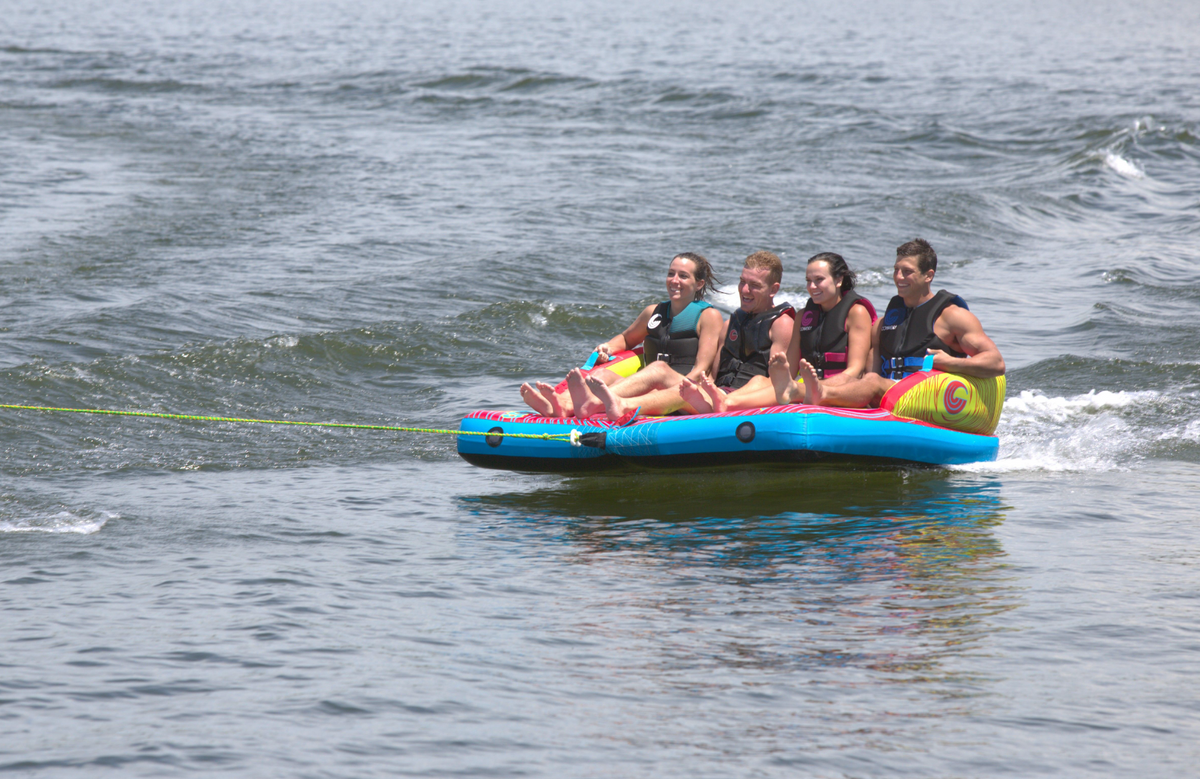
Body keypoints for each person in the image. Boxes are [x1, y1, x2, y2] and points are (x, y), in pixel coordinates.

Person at [792, 239, 1005, 408]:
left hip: (931, 396)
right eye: (896, 270)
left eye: (907, 271)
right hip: (891, 396)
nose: (898, 277)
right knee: (871, 379)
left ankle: (821, 393)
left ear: (928, 275)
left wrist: (951, 362)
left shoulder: (952, 316)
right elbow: (869, 373)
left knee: (873, 382)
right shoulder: (884, 324)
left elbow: (996, 363)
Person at [586, 251, 794, 421]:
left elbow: (779, 383)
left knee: (664, 375)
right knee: (607, 375)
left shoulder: (782, 324)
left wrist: (729, 399)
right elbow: (714, 372)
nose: (744, 290)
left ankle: (615, 404)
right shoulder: (732, 322)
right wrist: (707, 390)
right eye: (742, 282)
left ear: (773, 289)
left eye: (754, 285)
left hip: (742, 402)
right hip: (718, 394)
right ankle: (568, 403)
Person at [520, 252, 723, 418]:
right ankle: (559, 403)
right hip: (653, 382)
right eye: (671, 274)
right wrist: (607, 347)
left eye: (683, 276)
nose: (674, 280)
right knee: (600, 375)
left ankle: (578, 405)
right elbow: (626, 339)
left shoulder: (708, 316)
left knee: (658, 369)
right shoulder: (653, 312)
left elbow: (701, 371)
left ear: (699, 284)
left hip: (688, 391)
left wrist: (665, 393)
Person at [679, 252, 876, 413]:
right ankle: (724, 401)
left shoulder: (856, 312)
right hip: (806, 385)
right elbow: (787, 374)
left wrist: (820, 386)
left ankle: (723, 404)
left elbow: (855, 370)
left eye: (819, 280)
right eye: (808, 280)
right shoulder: (803, 316)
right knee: (760, 380)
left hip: (842, 388)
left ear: (839, 280)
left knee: (788, 387)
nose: (812, 287)